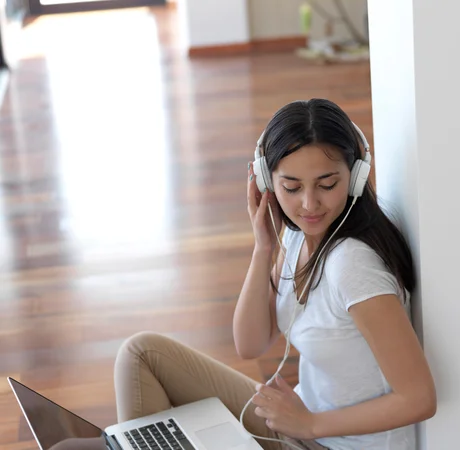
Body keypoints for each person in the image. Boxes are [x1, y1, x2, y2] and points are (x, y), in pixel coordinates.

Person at [114, 98, 436, 450]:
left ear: (356, 177)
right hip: (296, 425)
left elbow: (419, 398)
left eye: (327, 184)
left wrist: (310, 424)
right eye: (292, 187)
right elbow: (250, 344)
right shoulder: (298, 235)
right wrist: (262, 247)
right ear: (267, 181)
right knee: (142, 353)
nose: (309, 205)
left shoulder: (353, 267)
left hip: (324, 440)